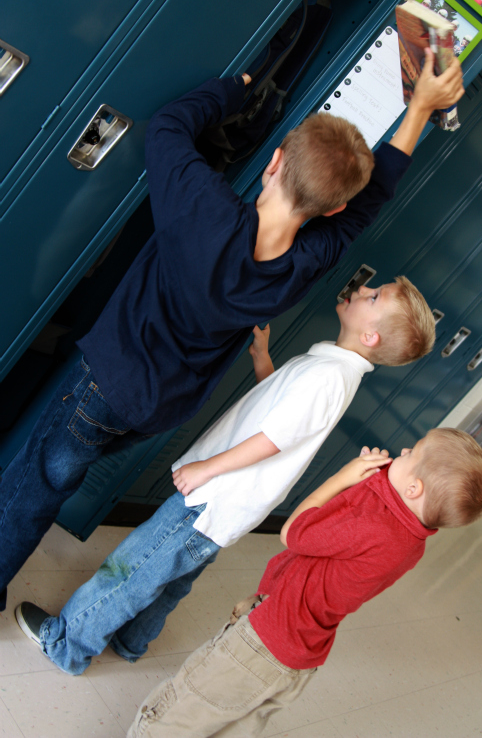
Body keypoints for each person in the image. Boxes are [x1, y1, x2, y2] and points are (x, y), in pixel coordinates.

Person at [0, 48, 464, 613]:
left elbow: (169, 125)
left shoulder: (201, 205)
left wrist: (238, 87)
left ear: (273, 163)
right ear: (334, 209)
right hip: (160, 409)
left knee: (36, 484)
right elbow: (372, 200)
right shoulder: (300, 267)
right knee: (54, 474)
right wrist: (419, 108)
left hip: (106, 386)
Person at [15, 274, 436, 674]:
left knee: (134, 569)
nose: (363, 288)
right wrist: (264, 362)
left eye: (375, 296)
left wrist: (205, 469)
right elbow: (285, 419)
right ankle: (130, 641)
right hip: (231, 504)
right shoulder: (333, 368)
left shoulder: (328, 376)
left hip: (214, 496)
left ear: (370, 337)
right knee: (173, 577)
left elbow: (273, 439)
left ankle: (67, 644)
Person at [125, 428, 482, 737]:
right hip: (298, 658)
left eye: (411, 453)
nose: (402, 449)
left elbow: (294, 533)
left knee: (180, 711)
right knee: (230, 727)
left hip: (264, 644)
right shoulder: (412, 542)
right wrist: (373, 484)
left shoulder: (374, 525)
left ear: (414, 490)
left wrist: (341, 478)